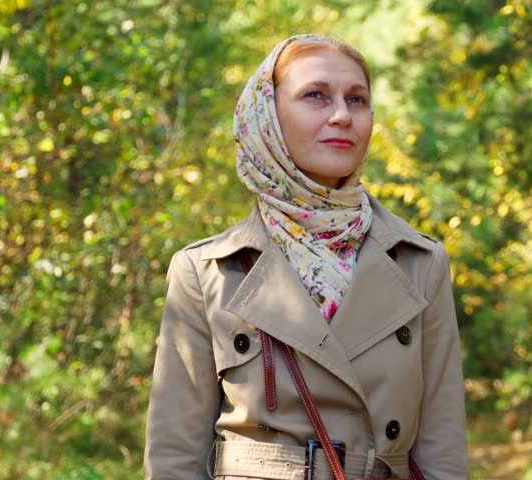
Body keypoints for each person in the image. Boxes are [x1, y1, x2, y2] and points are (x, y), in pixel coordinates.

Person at [144, 34, 469, 479]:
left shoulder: (420, 262)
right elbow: (173, 459)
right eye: (316, 96)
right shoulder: (207, 271)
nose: (341, 115)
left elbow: (443, 447)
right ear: (267, 118)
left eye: (357, 100)